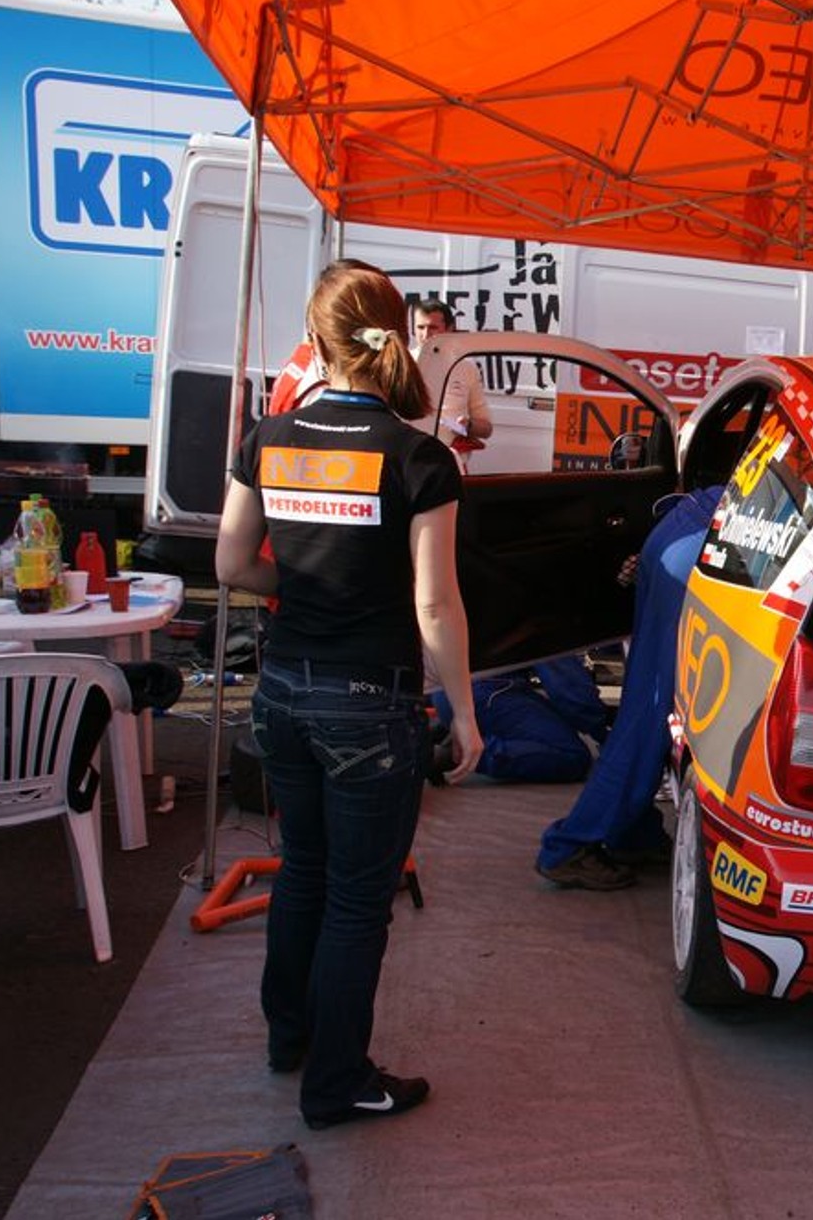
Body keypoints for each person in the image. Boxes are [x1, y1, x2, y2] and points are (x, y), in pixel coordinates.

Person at [215, 259, 483, 1131]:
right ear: (397, 336)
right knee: (358, 901)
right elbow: (434, 603)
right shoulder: (418, 456)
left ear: (315, 338)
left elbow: (230, 564)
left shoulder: (267, 437)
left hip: (282, 695)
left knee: (305, 870)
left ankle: (289, 1038)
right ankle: (337, 1084)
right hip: (371, 704)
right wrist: (465, 711)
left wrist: (301, 586)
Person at [535, 483, 726, 889]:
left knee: (648, 709)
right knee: (650, 718)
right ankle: (572, 845)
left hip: (686, 525)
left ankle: (631, 833)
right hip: (706, 543)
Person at [428, 656, 609, 785]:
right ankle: (457, 754)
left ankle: (449, 732)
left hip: (447, 691)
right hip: (485, 692)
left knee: (553, 717)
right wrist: (605, 731)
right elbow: (567, 686)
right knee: (573, 755)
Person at [410, 299, 495, 470]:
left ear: (449, 329)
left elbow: (486, 429)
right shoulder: (403, 364)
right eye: (420, 327)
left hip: (450, 466)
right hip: (410, 462)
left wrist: (467, 426)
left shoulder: (466, 368)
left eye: (433, 327)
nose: (426, 335)